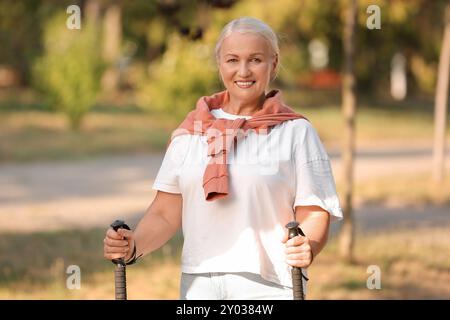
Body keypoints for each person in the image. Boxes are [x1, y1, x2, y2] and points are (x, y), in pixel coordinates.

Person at [104, 16, 342, 300]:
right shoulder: (190, 132)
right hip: (199, 282)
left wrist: (309, 245)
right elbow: (165, 213)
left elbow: (314, 212)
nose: (243, 71)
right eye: (232, 60)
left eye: (255, 59)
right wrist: (132, 247)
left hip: (270, 284)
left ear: (273, 64)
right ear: (220, 64)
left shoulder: (295, 131)